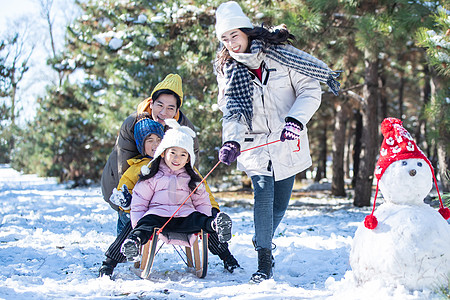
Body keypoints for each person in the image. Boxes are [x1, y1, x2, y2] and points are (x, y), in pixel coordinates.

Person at [214, 1, 340, 283]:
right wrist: (231, 142)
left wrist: (296, 120)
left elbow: (310, 89)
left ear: (246, 31)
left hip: (287, 140)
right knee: (263, 197)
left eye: (234, 35)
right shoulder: (228, 70)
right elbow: (232, 112)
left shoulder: (280, 56)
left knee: (280, 204)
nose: (231, 43)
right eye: (224, 38)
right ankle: (264, 261)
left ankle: (261, 238)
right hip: (253, 143)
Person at [99, 74, 240, 277]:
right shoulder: (143, 164)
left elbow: (198, 186)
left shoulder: (184, 141)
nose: (164, 112)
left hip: (183, 213)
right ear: (151, 103)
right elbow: (130, 181)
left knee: (205, 223)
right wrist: (127, 206)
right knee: (130, 228)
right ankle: (117, 257)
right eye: (160, 105)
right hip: (146, 205)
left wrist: (213, 212)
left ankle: (224, 247)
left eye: (170, 108)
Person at [120, 119, 233, 262]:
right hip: (157, 215)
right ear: (163, 153)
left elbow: (202, 202)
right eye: (172, 152)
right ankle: (134, 242)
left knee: (199, 219)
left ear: (188, 159)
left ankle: (215, 225)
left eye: (183, 155)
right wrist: (137, 222)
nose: (176, 158)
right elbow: (139, 201)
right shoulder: (152, 175)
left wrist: (206, 218)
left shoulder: (192, 178)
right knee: (145, 224)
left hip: (185, 216)